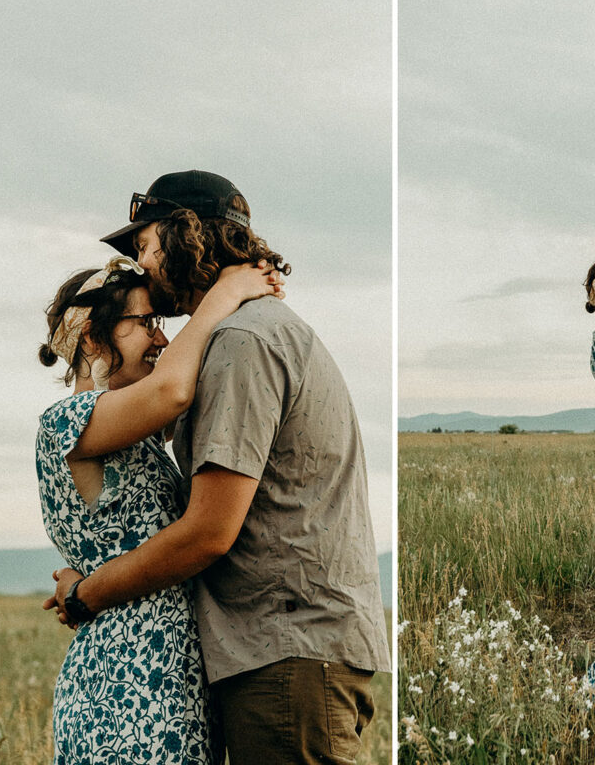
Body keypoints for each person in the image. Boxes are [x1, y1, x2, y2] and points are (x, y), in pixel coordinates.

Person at [45, 170, 391, 764]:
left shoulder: (240, 343)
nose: (144, 265)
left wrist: (87, 593)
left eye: (147, 245)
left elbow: (208, 531)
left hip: (283, 649)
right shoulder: (236, 339)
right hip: (256, 651)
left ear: (188, 237)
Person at [35, 246, 283, 764]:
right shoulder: (65, 422)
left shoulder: (133, 436)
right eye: (146, 322)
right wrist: (226, 292)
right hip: (128, 683)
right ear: (93, 336)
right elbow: (174, 390)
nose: (162, 337)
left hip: (167, 675)